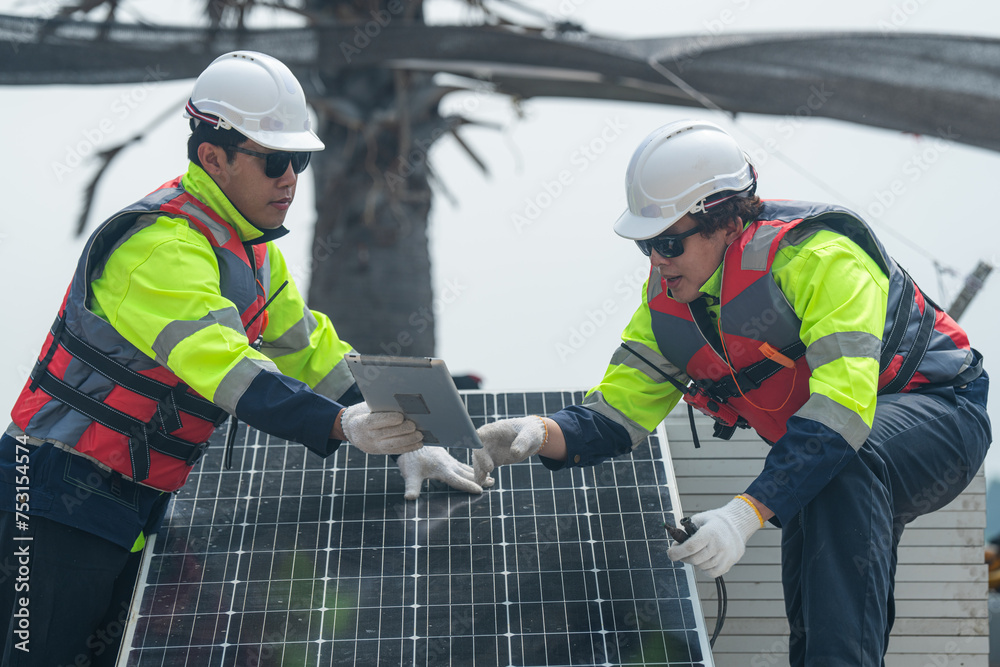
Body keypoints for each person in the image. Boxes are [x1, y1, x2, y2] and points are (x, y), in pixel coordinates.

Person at [1, 50, 489, 666]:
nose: (291, 179)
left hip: (138, 497)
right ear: (213, 157)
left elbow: (313, 350)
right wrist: (344, 426)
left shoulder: (252, 254)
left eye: (301, 161)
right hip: (52, 493)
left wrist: (410, 432)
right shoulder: (157, 247)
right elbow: (230, 371)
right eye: (275, 161)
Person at [473, 119, 991, 665]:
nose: (657, 259)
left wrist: (743, 515)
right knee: (816, 582)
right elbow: (613, 417)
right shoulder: (667, 306)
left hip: (942, 413)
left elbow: (842, 410)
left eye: (669, 242)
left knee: (840, 470)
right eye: (646, 244)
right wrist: (538, 434)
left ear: (724, 220)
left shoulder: (819, 259)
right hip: (835, 452)